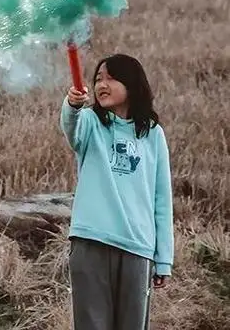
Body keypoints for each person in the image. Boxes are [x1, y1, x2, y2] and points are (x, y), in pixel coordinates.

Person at [61, 53, 174, 330]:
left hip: (138, 247)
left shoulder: (153, 134)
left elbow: (162, 198)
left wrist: (164, 258)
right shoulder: (90, 123)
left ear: (132, 85)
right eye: (98, 78)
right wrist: (72, 105)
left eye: (111, 78)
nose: (102, 85)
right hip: (91, 241)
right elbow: (71, 127)